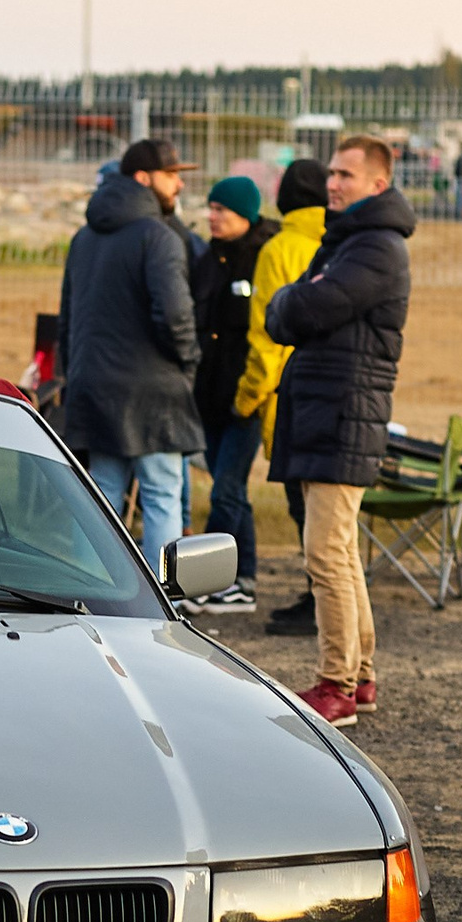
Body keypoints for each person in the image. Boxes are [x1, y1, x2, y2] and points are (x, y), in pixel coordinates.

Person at [263, 135, 413, 728]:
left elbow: (295, 312)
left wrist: (291, 300)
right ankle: (362, 673)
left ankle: (336, 684)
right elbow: (287, 311)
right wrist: (291, 301)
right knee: (342, 551)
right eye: (331, 172)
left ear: (378, 184)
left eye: (346, 175)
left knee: (325, 553)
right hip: (329, 410)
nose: (333, 183)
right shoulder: (347, 242)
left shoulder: (375, 249)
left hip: (344, 413)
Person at [55, 137, 200, 569]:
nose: (179, 185)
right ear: (143, 177)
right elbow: (175, 313)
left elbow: (68, 317)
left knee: (100, 498)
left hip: (93, 384)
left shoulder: (84, 237)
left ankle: (94, 596)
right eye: (171, 175)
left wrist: (73, 373)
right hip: (153, 390)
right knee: (160, 493)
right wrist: (188, 360)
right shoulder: (158, 236)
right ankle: (164, 602)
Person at [234, 158, 328, 634]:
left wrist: (247, 398)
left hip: (288, 398)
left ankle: (319, 603)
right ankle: (323, 598)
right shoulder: (341, 243)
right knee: (327, 510)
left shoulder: (279, 250)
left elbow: (267, 338)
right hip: (336, 396)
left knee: (303, 508)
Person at [183, 175, 275, 615]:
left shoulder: (263, 257)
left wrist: (250, 393)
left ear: (246, 213)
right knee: (232, 491)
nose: (212, 216)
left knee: (226, 490)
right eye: (211, 208)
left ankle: (209, 579)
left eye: (222, 210)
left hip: (247, 398)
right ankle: (243, 579)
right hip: (210, 395)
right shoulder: (206, 259)